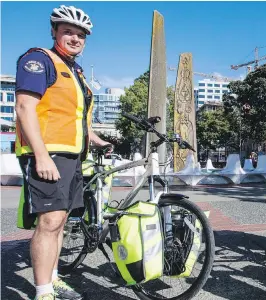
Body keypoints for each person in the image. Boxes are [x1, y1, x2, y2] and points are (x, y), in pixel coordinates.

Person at [15, 5, 112, 300]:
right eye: (68, 31)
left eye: (80, 34)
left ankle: (53, 278)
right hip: (48, 153)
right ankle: (43, 292)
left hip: (72, 155)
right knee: (49, 222)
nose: (75, 38)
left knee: (60, 224)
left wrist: (96, 139)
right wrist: (41, 156)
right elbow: (24, 108)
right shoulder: (39, 60)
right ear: (54, 31)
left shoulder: (75, 71)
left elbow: (74, 116)